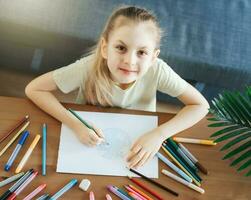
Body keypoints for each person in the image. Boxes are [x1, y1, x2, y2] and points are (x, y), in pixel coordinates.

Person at [25, 6, 209, 169]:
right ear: (105, 47)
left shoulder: (158, 70)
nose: (130, 61)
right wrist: (75, 124)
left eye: (142, 52)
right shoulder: (88, 67)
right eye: (121, 48)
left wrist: (160, 134)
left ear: (153, 57)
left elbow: (200, 105)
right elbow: (34, 89)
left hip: (138, 140)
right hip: (88, 141)